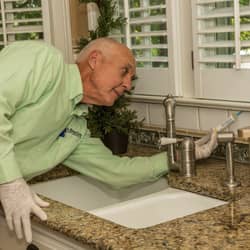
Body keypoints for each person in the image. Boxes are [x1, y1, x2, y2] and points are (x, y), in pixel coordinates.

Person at [0, 38, 217, 243]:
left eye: (131, 79)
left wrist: (181, 155)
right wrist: (10, 182)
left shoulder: (74, 127)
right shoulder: (42, 60)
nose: (128, 85)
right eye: (125, 71)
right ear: (94, 60)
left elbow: (117, 172)